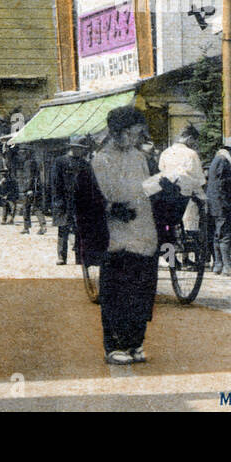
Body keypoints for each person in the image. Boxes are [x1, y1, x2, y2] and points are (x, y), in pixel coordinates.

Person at [87, 106, 160, 365]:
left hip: (144, 232)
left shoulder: (140, 157)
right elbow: (92, 199)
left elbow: (147, 187)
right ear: (119, 132)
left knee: (142, 293)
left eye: (140, 133)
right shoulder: (101, 159)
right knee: (117, 294)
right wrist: (111, 208)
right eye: (134, 132)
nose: (138, 138)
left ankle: (136, 342)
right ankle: (114, 345)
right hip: (116, 238)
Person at [205, 136, 231, 276]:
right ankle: (227, 266)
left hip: (218, 206)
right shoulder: (223, 162)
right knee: (225, 236)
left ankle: (218, 265)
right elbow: (221, 187)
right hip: (223, 206)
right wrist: (230, 207)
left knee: (218, 235)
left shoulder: (219, 160)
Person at [158, 125, 207, 243]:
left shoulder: (166, 152)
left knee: (169, 227)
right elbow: (199, 179)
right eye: (194, 141)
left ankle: (171, 258)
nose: (194, 144)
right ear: (189, 138)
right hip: (185, 197)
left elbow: (161, 170)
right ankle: (192, 252)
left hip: (167, 195)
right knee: (192, 224)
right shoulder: (191, 154)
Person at [49, 135, 91, 265]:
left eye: (81, 149)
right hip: (63, 201)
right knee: (63, 229)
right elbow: (55, 183)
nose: (80, 151)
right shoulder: (60, 162)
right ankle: (61, 257)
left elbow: (89, 184)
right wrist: (58, 201)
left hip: (80, 202)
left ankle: (79, 257)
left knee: (80, 229)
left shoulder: (85, 164)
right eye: (77, 148)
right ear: (72, 147)